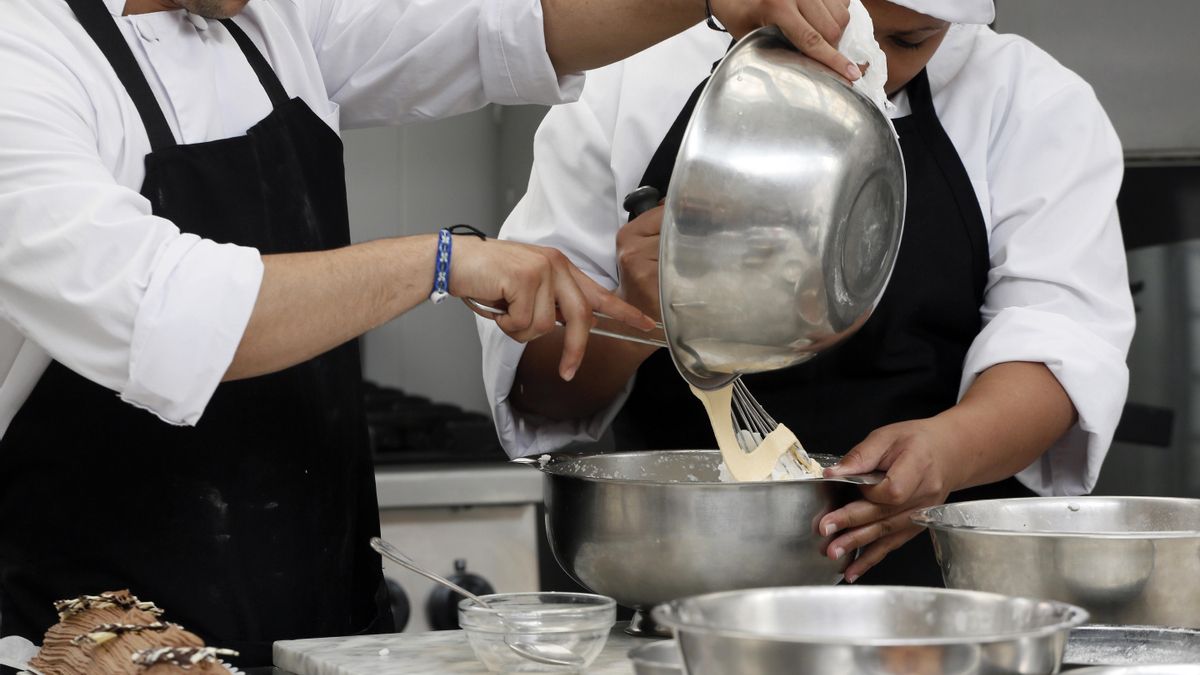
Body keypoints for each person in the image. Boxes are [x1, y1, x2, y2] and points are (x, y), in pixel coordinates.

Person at [0, 0, 865, 665]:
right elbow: (161, 313)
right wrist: (442, 263)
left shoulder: (267, 23)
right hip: (93, 641)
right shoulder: (26, 53)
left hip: (318, 627)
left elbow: (513, 27)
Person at [479, 0, 1135, 587]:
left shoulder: (1029, 102)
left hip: (938, 598)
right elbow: (543, 389)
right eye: (831, 24)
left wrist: (952, 450)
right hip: (687, 580)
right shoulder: (627, 76)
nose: (862, 63)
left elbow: (1060, 343)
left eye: (906, 40)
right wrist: (643, 315)